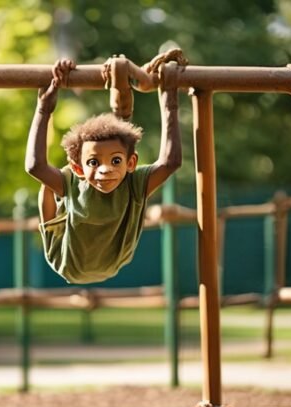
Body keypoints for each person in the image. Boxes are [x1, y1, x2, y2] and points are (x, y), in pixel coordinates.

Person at [25, 58, 182, 284]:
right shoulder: (73, 181)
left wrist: (170, 99)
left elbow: (170, 162)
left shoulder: (134, 182)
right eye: (93, 163)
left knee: (118, 140)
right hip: (68, 262)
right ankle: (121, 101)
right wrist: (44, 108)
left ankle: (121, 95)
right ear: (79, 168)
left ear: (131, 163)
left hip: (113, 260)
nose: (105, 170)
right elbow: (35, 166)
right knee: (49, 186)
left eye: (116, 161)